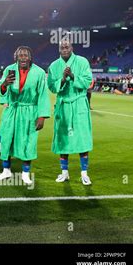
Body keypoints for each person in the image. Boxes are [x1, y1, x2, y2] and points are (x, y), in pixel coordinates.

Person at [0, 46, 50, 185]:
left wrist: (42, 116)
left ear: (30, 57)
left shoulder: (39, 72)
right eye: (20, 55)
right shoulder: (9, 69)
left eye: (26, 55)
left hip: (30, 111)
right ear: (16, 57)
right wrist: (5, 83)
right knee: (6, 139)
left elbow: (43, 94)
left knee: (28, 141)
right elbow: (1, 90)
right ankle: (6, 170)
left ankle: (25, 173)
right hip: (12, 110)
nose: (23, 57)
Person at [47, 39, 93, 185]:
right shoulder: (54, 66)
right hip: (63, 105)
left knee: (82, 138)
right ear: (59, 49)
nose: (65, 49)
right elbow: (51, 87)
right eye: (62, 47)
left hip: (79, 104)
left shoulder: (82, 61)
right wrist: (63, 79)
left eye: (67, 46)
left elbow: (87, 81)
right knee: (62, 139)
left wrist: (73, 76)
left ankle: (84, 173)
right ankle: (64, 172)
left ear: (72, 47)